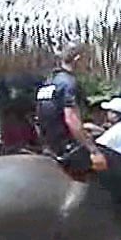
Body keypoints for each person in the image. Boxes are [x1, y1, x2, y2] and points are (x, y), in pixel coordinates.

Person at [35, 41, 106, 171]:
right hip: (67, 148)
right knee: (116, 165)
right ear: (78, 59)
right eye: (87, 59)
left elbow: (45, 115)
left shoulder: (48, 82)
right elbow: (71, 120)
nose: (88, 64)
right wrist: (93, 151)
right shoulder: (69, 83)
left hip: (48, 146)